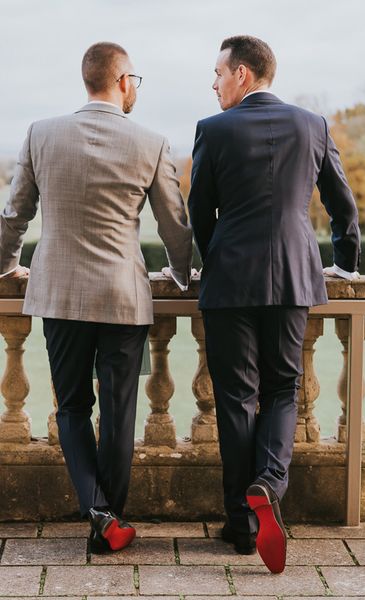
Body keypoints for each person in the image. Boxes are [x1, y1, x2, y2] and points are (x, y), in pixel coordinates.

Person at [0, 42, 192, 553]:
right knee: (120, 410)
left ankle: (99, 511)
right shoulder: (151, 142)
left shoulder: (42, 134)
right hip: (124, 296)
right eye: (138, 82)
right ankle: (109, 522)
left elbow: (14, 214)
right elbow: (176, 225)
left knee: (71, 408)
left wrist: (4, 266)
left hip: (59, 293)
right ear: (124, 80)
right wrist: (178, 271)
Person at [188, 35, 360, 573]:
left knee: (237, 396)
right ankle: (269, 483)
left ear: (242, 73)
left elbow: (199, 210)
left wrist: (218, 257)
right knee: (283, 387)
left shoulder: (212, 130)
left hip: (230, 280)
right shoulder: (313, 125)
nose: (213, 83)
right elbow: (341, 203)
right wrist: (346, 262)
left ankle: (241, 525)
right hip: (292, 277)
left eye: (217, 72)